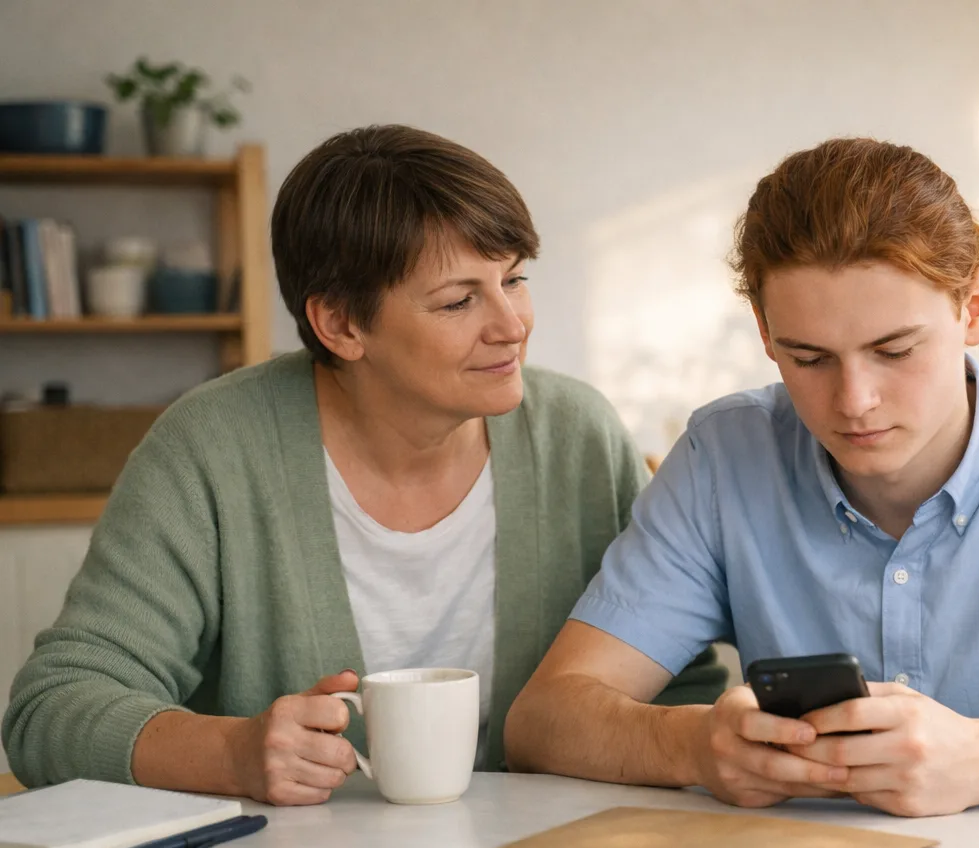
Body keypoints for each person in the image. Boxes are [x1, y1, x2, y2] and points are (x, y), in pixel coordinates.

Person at [505, 138, 979, 817]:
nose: (854, 402)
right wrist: (692, 746)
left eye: (896, 350)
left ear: (975, 308)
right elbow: (543, 723)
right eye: (808, 358)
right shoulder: (724, 455)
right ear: (767, 335)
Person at [2, 125, 722, 803]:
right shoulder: (211, 448)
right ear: (341, 324)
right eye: (457, 301)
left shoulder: (579, 437)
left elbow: (675, 689)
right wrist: (232, 753)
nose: (512, 325)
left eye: (514, 279)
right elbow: (51, 708)